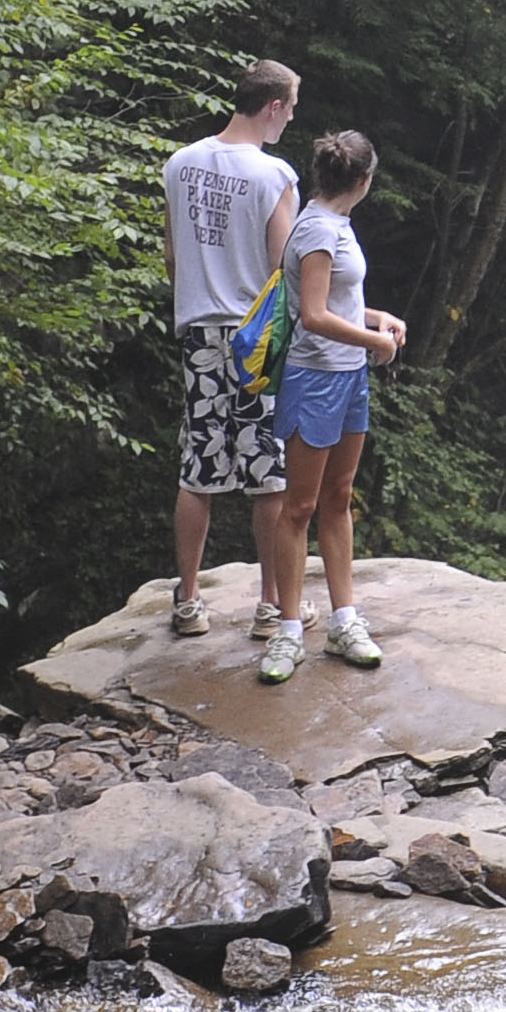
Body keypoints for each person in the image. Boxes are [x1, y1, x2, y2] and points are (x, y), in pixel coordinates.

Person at [158, 60, 301, 638]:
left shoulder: (180, 163)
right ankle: (270, 607)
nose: (292, 118)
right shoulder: (274, 176)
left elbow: (172, 256)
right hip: (258, 333)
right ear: (271, 106)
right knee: (267, 470)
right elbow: (283, 269)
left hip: (199, 328)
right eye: (291, 107)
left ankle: (189, 602)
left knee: (199, 467)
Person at [255, 128, 401, 684]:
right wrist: (377, 345)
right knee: (299, 507)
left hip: (348, 378)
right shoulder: (316, 230)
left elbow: (338, 302)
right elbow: (312, 315)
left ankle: (344, 620)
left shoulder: (334, 223)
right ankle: (289, 630)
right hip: (315, 379)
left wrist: (376, 318)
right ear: (363, 181)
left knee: (339, 498)